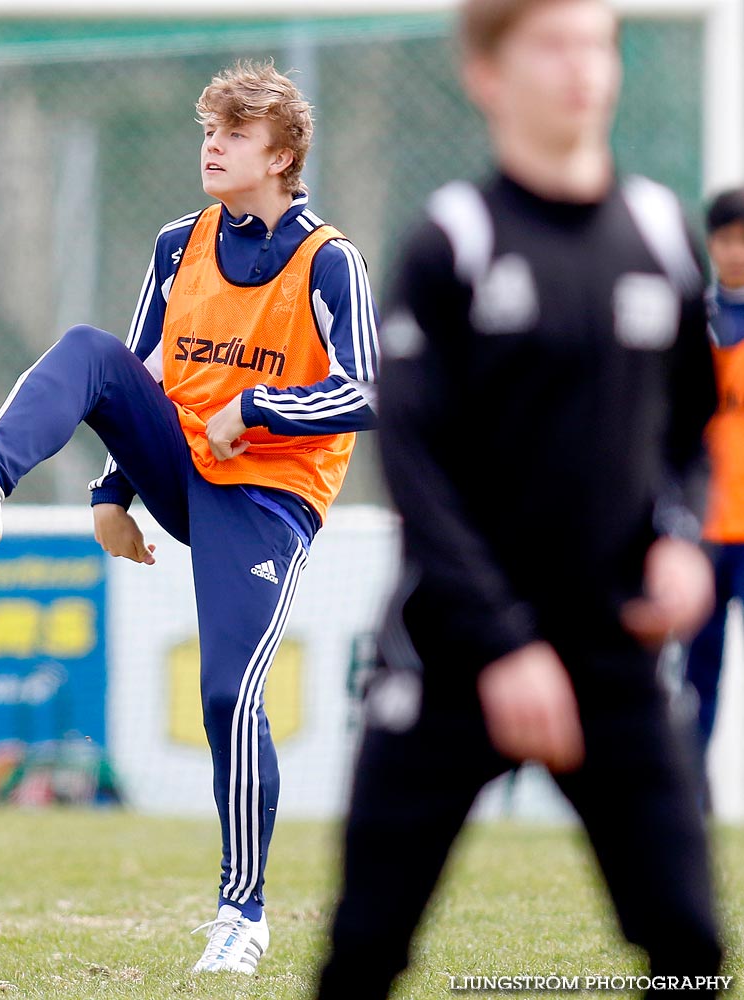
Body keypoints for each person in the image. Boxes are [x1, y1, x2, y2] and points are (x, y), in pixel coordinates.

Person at [0, 61, 378, 974]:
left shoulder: (331, 260)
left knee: (227, 695)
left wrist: (262, 410)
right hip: (182, 466)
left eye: (234, 134)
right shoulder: (177, 243)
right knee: (90, 349)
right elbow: (141, 374)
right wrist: (112, 493)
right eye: (208, 129)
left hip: (269, 500)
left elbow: (366, 389)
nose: (212, 145)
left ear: (281, 156)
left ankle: (244, 914)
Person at [317, 1, 725, 996]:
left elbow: (685, 432)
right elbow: (412, 461)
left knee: (689, 947)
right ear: (487, 75)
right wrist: (501, 644)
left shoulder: (662, 233)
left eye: (597, 44)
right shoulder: (452, 239)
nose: (581, 68)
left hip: (612, 647)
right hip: (456, 647)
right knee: (364, 950)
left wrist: (678, 535)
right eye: (551, 45)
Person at [684, 186, 744, 801]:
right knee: (699, 669)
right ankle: (690, 793)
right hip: (703, 526)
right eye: (729, 238)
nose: (738, 251)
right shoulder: (694, 320)